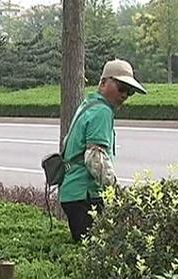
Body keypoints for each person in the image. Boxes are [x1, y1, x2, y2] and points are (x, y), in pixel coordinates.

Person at [59, 59, 146, 242]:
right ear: (103, 82)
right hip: (85, 195)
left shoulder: (88, 104)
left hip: (73, 193)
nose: (125, 95)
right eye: (121, 87)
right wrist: (116, 192)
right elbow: (94, 158)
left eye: (129, 92)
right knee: (94, 250)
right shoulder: (102, 112)